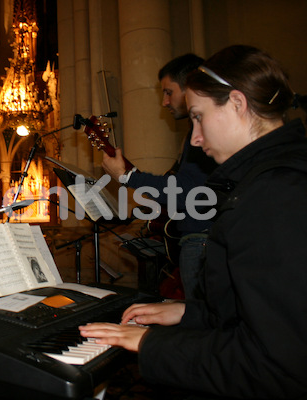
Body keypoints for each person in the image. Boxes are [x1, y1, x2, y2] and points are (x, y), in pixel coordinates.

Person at [80, 45, 307, 398]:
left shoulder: (276, 194)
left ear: (237, 103)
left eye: (198, 116)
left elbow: (276, 366)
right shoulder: (266, 180)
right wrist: (190, 313)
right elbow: (254, 315)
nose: (196, 138)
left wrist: (151, 346)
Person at [102, 53, 217, 300]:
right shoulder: (198, 133)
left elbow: (186, 191)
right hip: (198, 238)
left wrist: (126, 177)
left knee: (201, 325)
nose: (165, 102)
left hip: (201, 240)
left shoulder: (206, 132)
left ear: (190, 87)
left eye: (168, 92)